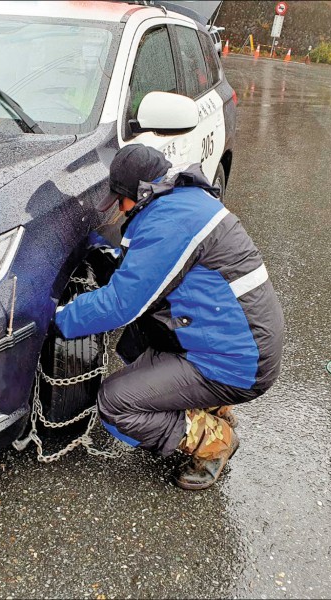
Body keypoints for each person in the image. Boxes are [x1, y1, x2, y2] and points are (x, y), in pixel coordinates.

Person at [55, 144, 284, 490]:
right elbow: (145, 265)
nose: (119, 209)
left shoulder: (170, 223)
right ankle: (209, 406)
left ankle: (215, 440)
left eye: (121, 200)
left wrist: (58, 317)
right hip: (239, 340)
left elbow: (121, 304)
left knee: (116, 404)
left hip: (239, 363)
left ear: (139, 193)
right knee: (136, 349)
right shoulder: (181, 200)